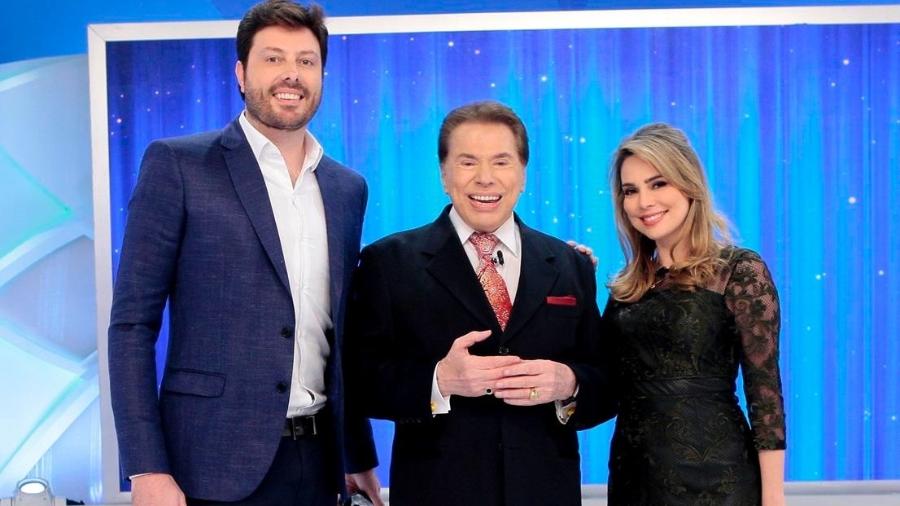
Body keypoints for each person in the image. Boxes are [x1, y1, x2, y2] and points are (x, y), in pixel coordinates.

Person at [107, 1, 382, 505]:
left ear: (321, 74)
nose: (291, 75)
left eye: (305, 61)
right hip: (207, 467)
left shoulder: (347, 188)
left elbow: (338, 334)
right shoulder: (179, 165)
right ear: (240, 72)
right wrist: (146, 468)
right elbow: (131, 326)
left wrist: (357, 455)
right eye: (273, 59)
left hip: (320, 466)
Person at [343, 101, 616, 506]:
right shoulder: (389, 262)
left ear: (522, 174)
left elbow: (608, 381)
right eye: (468, 162)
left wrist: (569, 384)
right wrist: (440, 381)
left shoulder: (570, 265)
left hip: (545, 492)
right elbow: (357, 381)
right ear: (444, 174)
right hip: (436, 492)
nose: (485, 178)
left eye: (501, 162)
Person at [602, 123, 786, 505]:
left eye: (658, 184)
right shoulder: (626, 288)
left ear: (688, 185)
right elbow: (600, 377)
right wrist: (566, 277)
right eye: (630, 191)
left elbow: (764, 393)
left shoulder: (739, 270)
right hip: (633, 480)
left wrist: (774, 499)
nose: (643, 202)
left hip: (717, 481)